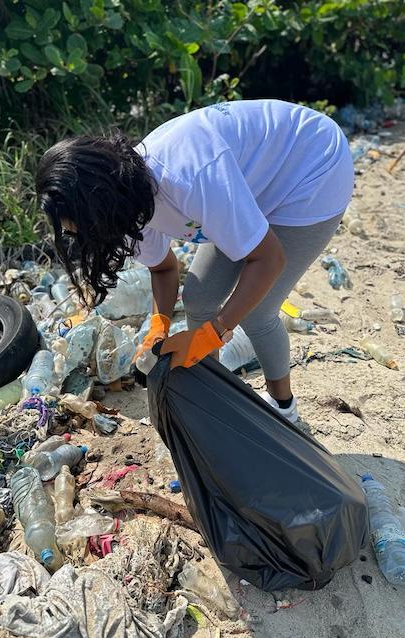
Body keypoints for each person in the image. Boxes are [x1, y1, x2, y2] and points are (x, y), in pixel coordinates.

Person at [36, 99, 353, 422]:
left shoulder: (187, 178)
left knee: (257, 312)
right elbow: (164, 268)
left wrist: (214, 331)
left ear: (99, 206)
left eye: (83, 228)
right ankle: (217, 395)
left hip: (313, 167)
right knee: (199, 298)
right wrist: (159, 325)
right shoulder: (127, 201)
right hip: (253, 184)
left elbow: (268, 259)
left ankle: (283, 407)